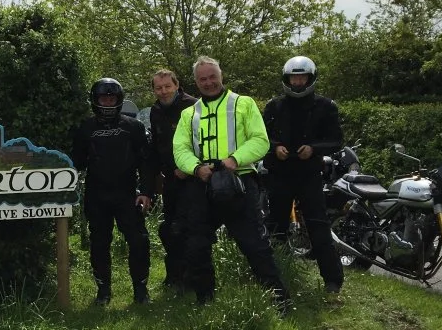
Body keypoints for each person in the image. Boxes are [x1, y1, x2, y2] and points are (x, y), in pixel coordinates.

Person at [172, 56, 290, 311]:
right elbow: (179, 149)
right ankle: (205, 300)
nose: (208, 82)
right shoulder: (188, 113)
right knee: (196, 244)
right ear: (196, 82)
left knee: (254, 244)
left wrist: (234, 160)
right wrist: (196, 168)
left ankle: (279, 300)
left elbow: (260, 140)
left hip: (239, 180)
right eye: (202, 79)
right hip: (201, 182)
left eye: (212, 76)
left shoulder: (243, 104)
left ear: (221, 76)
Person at [262, 55, 346, 294]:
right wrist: (275, 146)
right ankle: (275, 276)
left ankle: (332, 280)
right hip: (280, 174)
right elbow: (262, 136)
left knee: (318, 226)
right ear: (286, 79)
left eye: (302, 77)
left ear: (310, 78)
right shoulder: (273, 106)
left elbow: (336, 140)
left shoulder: (326, 106)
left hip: (310, 175)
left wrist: (315, 149)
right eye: (293, 78)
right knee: (276, 225)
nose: (297, 82)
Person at [70, 78, 156, 306]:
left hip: (128, 194)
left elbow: (146, 163)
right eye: (103, 99)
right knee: (99, 243)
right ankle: (103, 292)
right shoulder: (85, 127)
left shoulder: (133, 127)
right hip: (96, 195)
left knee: (139, 241)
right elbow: (76, 162)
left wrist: (146, 191)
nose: (108, 103)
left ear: (119, 100)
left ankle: (141, 291)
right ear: (95, 101)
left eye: (112, 99)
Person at [148, 69, 196, 291]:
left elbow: (202, 142)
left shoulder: (194, 106)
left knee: (187, 228)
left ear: (177, 85)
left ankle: (191, 278)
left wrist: (188, 168)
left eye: (167, 86)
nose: (163, 91)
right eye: (159, 88)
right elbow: (157, 145)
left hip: (193, 177)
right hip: (170, 178)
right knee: (168, 228)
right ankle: (173, 275)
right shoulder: (155, 111)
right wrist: (155, 174)